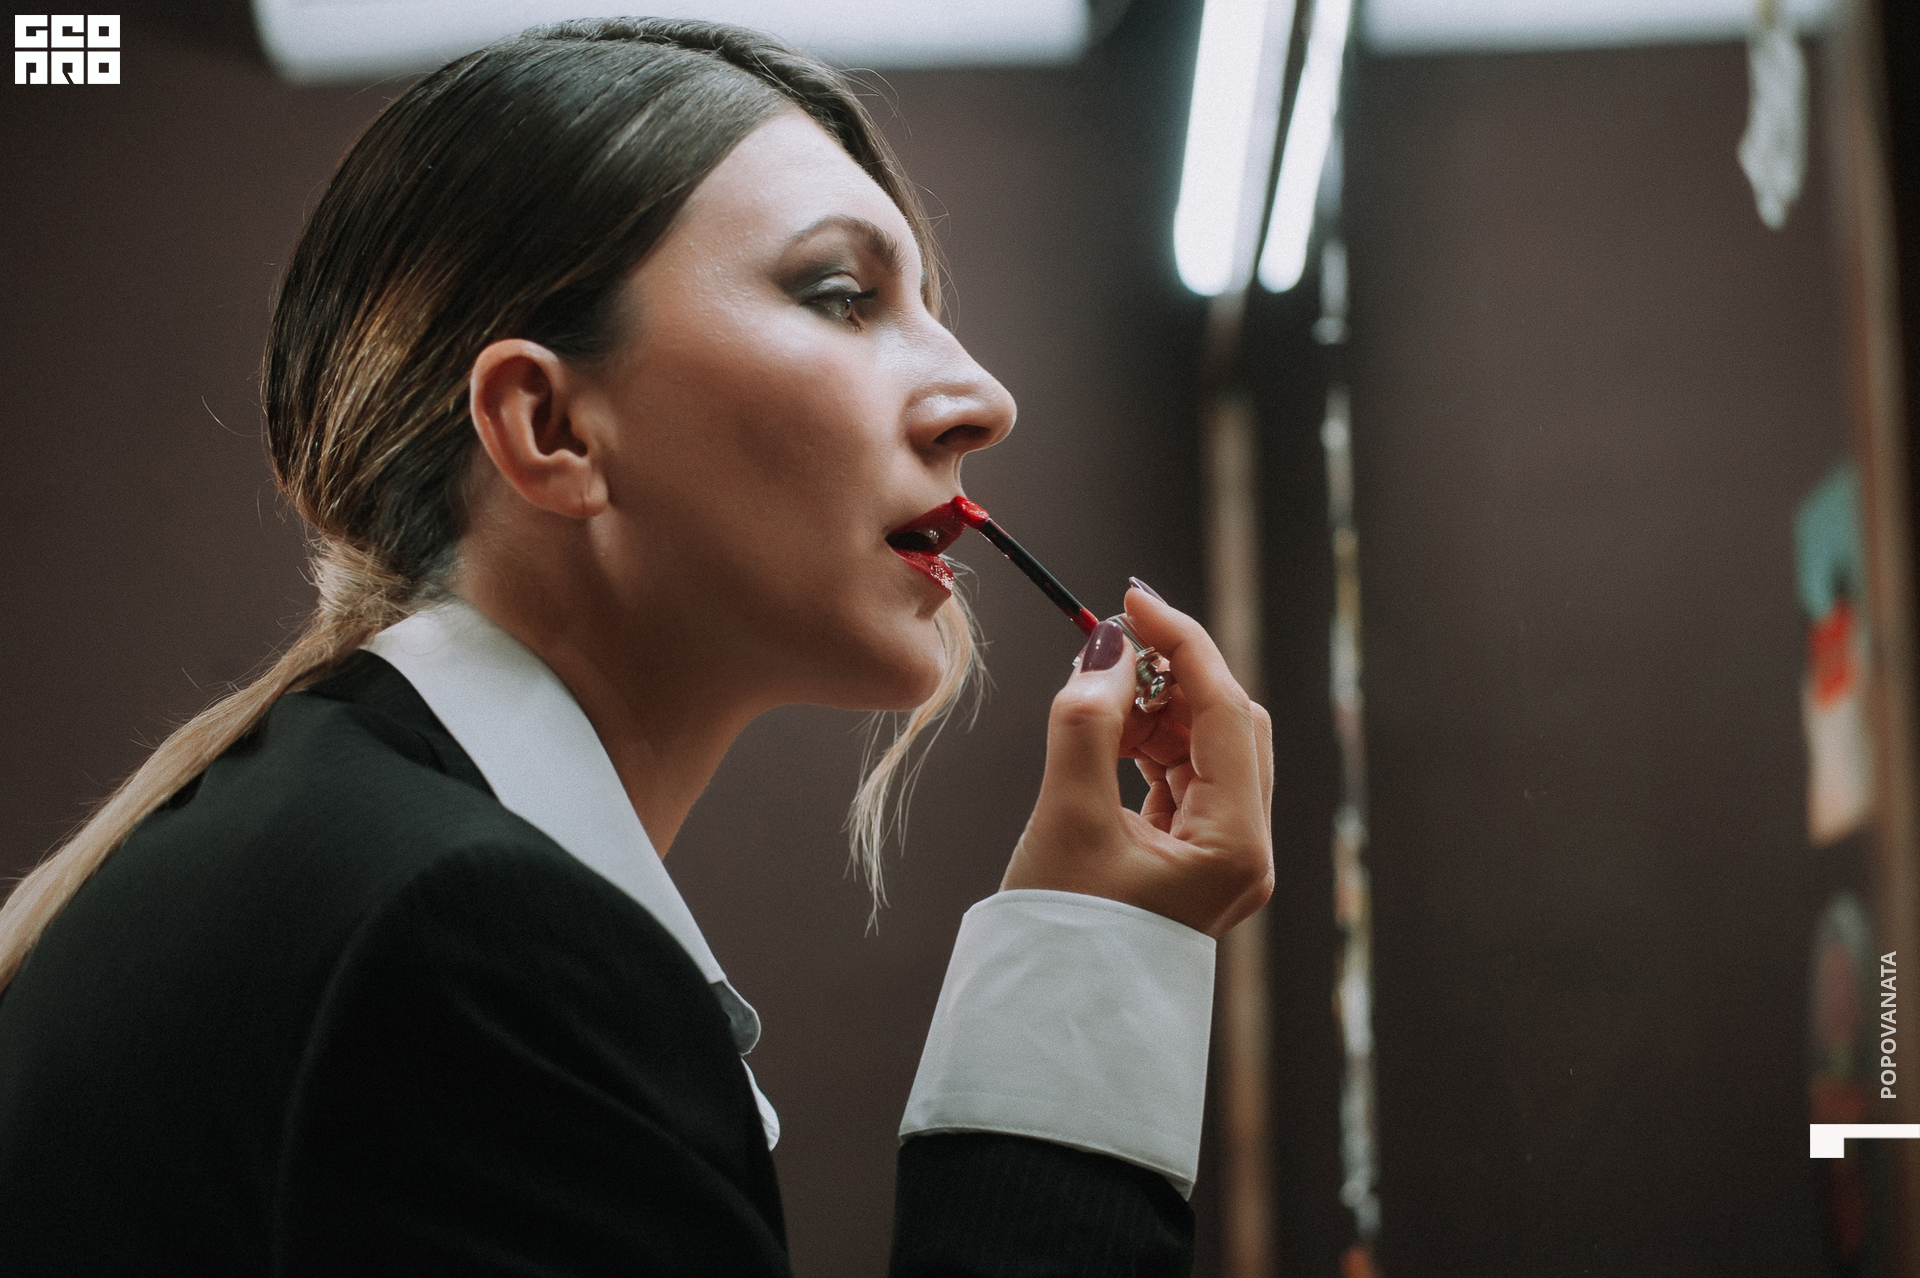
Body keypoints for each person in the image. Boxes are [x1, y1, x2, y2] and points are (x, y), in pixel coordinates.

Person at [0, 17, 1273, 1275]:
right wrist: (1086, 962)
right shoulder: (466, 939)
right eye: (843, 296)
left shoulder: (330, 855)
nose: (982, 401)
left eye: (926, 307)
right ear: (550, 427)